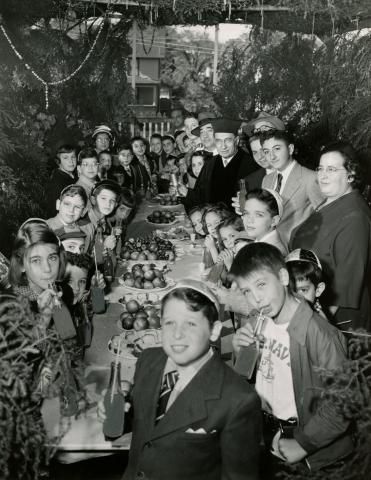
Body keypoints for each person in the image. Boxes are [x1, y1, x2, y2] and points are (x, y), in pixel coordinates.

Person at [230, 243, 352, 475]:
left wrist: (304, 443)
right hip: (266, 428)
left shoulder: (321, 334)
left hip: (304, 440)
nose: (255, 298)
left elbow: (343, 404)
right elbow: (254, 373)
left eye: (261, 284)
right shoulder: (260, 318)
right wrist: (241, 352)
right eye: (246, 290)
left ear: (284, 277)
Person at [122, 278, 261, 480]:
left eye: (190, 323)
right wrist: (121, 414)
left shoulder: (239, 400)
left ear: (214, 331)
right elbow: (145, 425)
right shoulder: (149, 360)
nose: (177, 334)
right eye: (169, 323)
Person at [290, 141, 371, 331]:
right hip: (311, 303)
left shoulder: (355, 217)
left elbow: (346, 283)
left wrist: (315, 326)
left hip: (337, 317)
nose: (323, 176)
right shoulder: (330, 201)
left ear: (351, 175)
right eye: (320, 168)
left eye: (332, 169)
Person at [8, 219, 76, 341]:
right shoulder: (12, 308)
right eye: (36, 260)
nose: (47, 269)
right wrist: (43, 319)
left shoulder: (64, 290)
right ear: (21, 265)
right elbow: (26, 356)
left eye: (52, 258)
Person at [260, 130, 324, 244]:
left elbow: (325, 219)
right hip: (271, 248)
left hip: (299, 247)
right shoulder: (266, 180)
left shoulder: (310, 178)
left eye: (277, 149)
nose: (272, 156)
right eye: (266, 151)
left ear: (290, 149)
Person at [189, 119, 259, 210]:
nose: (223, 146)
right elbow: (200, 195)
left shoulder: (250, 165)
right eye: (218, 141)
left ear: (236, 140)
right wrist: (186, 193)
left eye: (228, 140)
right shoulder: (210, 164)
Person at [46, 185, 94, 253]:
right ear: (58, 204)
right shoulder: (44, 228)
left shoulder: (88, 230)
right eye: (67, 204)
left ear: (83, 212)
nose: (71, 210)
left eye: (77, 207)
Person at [242, 188, 288, 255]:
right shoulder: (261, 244)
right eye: (246, 213)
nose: (249, 220)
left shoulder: (271, 254)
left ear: (274, 221)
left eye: (258, 215)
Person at [285, 248, 326, 317]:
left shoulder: (319, 322)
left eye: (303, 290)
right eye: (289, 290)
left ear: (318, 290)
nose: (296, 298)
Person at [45, 144, 77, 216]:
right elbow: (54, 212)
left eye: (73, 157)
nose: (71, 161)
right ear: (58, 161)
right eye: (65, 158)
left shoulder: (73, 175)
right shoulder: (57, 183)